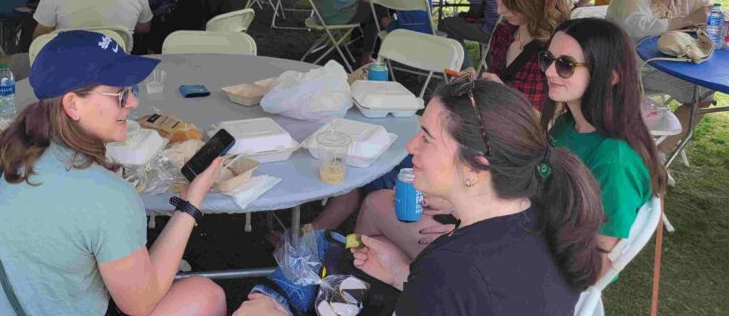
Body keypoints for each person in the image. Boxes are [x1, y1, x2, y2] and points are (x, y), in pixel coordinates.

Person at [241, 78, 603, 316]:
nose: (411, 147)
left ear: (476, 166)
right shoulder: (545, 218)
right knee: (316, 248)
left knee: (281, 283)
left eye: (427, 138)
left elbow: (460, 290)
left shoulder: (454, 266)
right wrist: (404, 273)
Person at [0, 30, 225, 316]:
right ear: (73, 104)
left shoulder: (1, 157)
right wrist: (190, 202)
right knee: (205, 293)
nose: (133, 103)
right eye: (120, 94)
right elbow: (141, 304)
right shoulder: (108, 196)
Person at [542, 18, 667, 271]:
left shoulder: (615, 161)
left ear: (611, 76)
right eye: (547, 58)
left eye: (565, 64)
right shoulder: (568, 124)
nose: (548, 71)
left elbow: (599, 261)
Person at [606, 0, 715, 145]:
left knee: (705, 93)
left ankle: (661, 152)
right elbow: (638, 27)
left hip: (664, 63)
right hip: (629, 69)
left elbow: (713, 8)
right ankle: (657, 154)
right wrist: (687, 19)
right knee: (702, 93)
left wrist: (715, 14)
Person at [481, 0, 569, 111]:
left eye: (509, 2)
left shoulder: (560, 50)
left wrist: (506, 97)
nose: (499, 10)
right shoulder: (504, 34)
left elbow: (555, 125)